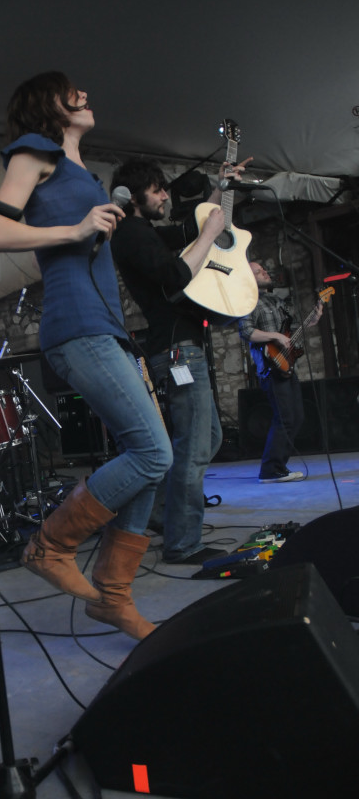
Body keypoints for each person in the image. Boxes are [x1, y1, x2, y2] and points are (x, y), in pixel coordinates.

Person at [0, 71, 172, 639]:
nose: (85, 94)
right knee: (154, 452)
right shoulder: (34, 153)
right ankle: (51, 544)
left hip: (107, 329)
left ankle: (113, 596)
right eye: (72, 92)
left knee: (147, 460)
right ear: (48, 104)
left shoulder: (86, 174)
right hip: (75, 327)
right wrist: (75, 228)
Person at [109, 155, 249, 565]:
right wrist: (209, 234)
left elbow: (193, 228)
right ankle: (183, 543)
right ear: (135, 196)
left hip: (182, 346)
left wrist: (221, 188)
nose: (165, 197)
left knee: (209, 438)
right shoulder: (129, 234)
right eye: (157, 191)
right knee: (192, 448)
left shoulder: (145, 231)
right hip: (176, 349)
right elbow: (176, 274)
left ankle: (160, 515)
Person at [239, 261, 323, 482]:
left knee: (297, 417)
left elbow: (291, 331)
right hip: (270, 366)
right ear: (249, 278)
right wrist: (274, 336)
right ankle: (270, 470)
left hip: (286, 364)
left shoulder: (276, 300)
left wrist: (311, 320)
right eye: (259, 271)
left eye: (264, 269)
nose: (265, 272)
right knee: (285, 418)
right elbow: (246, 331)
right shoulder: (248, 301)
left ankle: (278, 467)